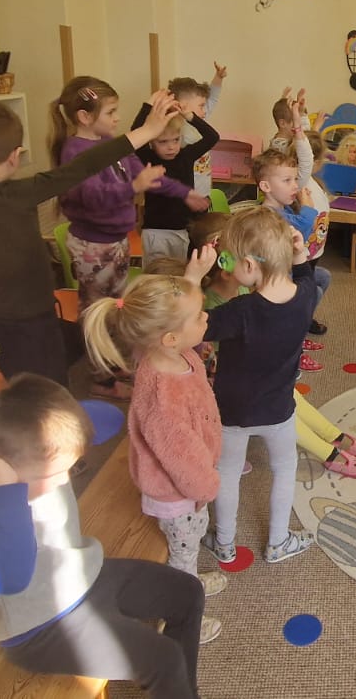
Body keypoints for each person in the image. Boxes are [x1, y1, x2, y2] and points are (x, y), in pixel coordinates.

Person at [0, 375, 205, 698]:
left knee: (188, 592)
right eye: (52, 474)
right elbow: (8, 578)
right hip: (38, 627)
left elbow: (109, 419)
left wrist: (63, 416)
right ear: (0, 469)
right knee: (164, 659)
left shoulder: (28, 454)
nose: (64, 479)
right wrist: (4, 494)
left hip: (80, 577)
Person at [0, 88, 181, 386]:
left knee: (23, 374)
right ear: (15, 157)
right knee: (48, 384)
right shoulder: (18, 193)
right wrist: (149, 131)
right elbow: (85, 165)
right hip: (33, 313)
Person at [82, 267, 228, 643]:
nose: (206, 315)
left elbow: (174, 312)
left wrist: (192, 279)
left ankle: (190, 582)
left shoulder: (169, 352)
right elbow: (181, 458)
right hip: (179, 493)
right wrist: (207, 487)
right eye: (198, 315)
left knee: (190, 544)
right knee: (182, 555)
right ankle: (180, 616)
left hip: (190, 484)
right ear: (170, 337)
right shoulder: (164, 398)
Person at [52, 77, 205, 397]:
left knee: (116, 306)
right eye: (111, 112)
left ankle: (111, 364)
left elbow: (145, 175)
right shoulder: (74, 151)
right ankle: (101, 378)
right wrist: (133, 188)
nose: (117, 118)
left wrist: (185, 193)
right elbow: (92, 196)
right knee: (98, 312)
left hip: (116, 241)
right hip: (94, 247)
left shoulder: (112, 143)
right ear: (84, 117)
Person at [189, 215, 356, 478]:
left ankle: (334, 435)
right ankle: (330, 453)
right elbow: (192, 331)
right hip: (234, 382)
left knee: (291, 397)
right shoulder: (222, 305)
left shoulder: (246, 293)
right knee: (282, 408)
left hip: (258, 374)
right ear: (226, 266)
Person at [200, 207, 320, 564]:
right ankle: (278, 541)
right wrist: (300, 253)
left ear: (250, 266)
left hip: (232, 409)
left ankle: (224, 542)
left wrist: (193, 277)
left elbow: (195, 324)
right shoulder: (306, 296)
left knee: (227, 472)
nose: (225, 268)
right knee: (285, 469)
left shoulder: (239, 310)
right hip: (279, 408)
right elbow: (306, 275)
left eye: (227, 260)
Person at [253, 146, 328, 373]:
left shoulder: (282, 209)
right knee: (312, 292)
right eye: (287, 180)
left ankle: (300, 331)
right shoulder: (268, 216)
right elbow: (300, 230)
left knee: (322, 277)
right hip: (275, 280)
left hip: (287, 272)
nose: (295, 185)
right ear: (266, 187)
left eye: (295, 179)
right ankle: (294, 348)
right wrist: (309, 209)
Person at [133, 78, 220, 267]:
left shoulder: (186, 155)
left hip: (181, 230)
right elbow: (135, 133)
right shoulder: (148, 157)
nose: (171, 147)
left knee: (178, 272)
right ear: (151, 141)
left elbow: (212, 137)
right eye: (163, 142)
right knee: (155, 274)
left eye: (175, 140)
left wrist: (189, 116)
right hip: (155, 231)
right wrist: (148, 106)